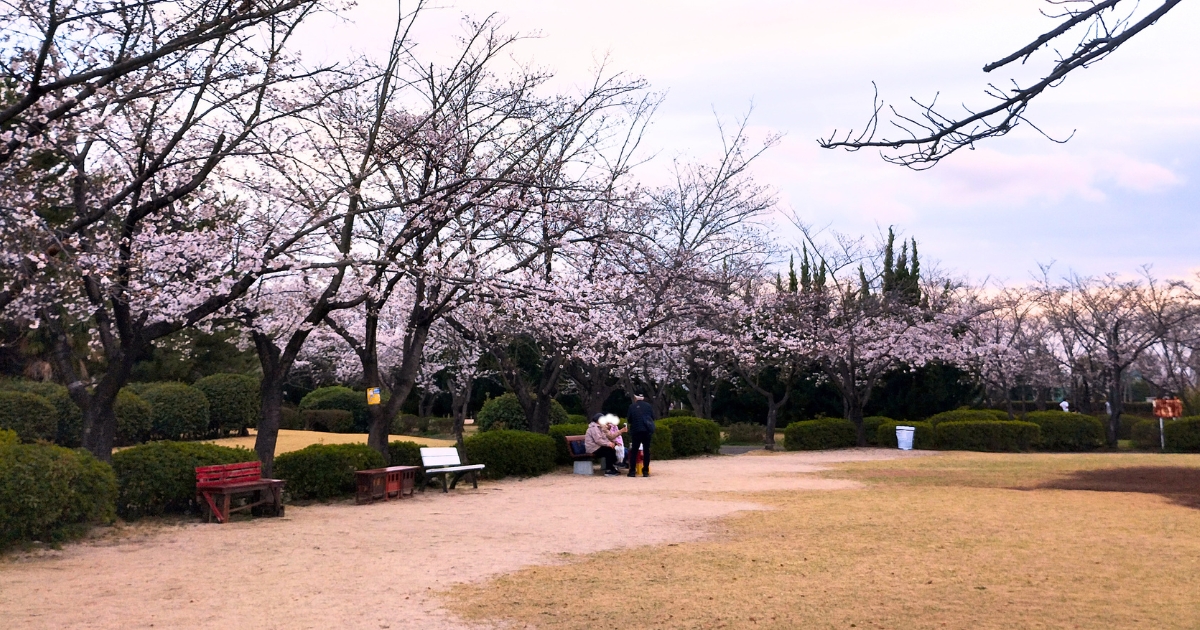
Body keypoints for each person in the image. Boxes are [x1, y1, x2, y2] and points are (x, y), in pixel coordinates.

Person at [626, 393, 656, 477]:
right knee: (646, 450)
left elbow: (629, 419)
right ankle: (645, 471)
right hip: (647, 430)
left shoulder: (632, 406)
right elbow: (653, 417)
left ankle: (632, 471)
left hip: (636, 430)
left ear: (635, 397)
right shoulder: (648, 406)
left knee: (634, 451)